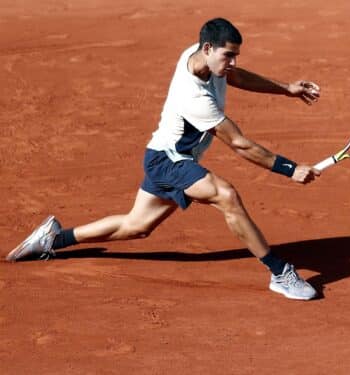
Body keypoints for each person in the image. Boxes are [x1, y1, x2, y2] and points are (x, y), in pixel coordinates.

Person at [5, 17, 322, 301]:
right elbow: (240, 144)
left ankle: (53, 239)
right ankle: (280, 273)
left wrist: (285, 89)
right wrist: (289, 168)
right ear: (208, 48)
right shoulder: (194, 96)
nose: (233, 62)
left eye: (236, 54)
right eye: (228, 55)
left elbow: (235, 77)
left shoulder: (199, 56)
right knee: (226, 196)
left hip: (161, 155)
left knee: (136, 226)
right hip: (171, 161)